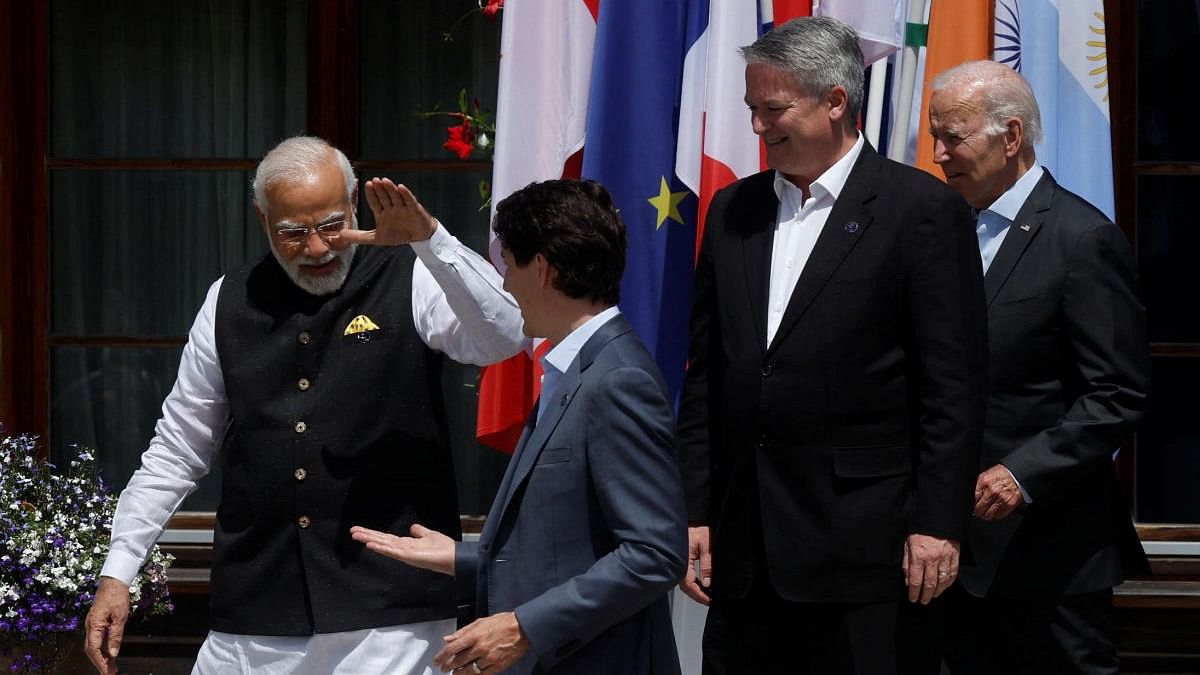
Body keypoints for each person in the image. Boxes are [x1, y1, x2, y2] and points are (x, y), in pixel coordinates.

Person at [83, 135, 526, 675]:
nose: (318, 248)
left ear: (357, 199)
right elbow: (177, 450)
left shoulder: (412, 276)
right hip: (255, 619)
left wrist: (431, 240)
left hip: (392, 622)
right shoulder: (227, 298)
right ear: (261, 218)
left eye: (332, 225)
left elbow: (505, 336)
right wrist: (119, 571)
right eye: (293, 232)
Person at [675, 17, 988, 674]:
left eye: (774, 108)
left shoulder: (920, 210)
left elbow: (950, 386)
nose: (758, 127)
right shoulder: (733, 209)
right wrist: (695, 510)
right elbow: (708, 374)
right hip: (745, 553)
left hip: (865, 555)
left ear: (837, 100)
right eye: (751, 110)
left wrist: (938, 522)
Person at [351, 178, 688, 675]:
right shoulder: (583, 369)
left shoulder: (618, 379)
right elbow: (568, 543)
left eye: (508, 263)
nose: (505, 283)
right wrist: (466, 558)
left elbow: (653, 553)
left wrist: (524, 627)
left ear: (545, 270)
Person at [928, 60, 1151, 675]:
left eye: (954, 137)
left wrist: (1021, 474)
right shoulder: (940, 229)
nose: (939, 153)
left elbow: (1119, 393)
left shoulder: (1081, 239)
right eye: (934, 134)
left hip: (1048, 556)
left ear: (1011, 137)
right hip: (944, 554)